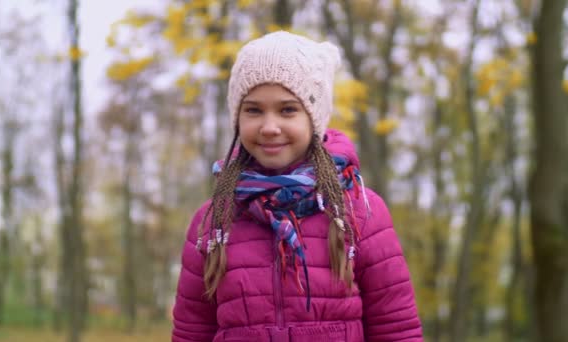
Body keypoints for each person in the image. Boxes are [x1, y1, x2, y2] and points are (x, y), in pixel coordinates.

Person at [172, 31, 422, 342]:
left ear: (313, 118)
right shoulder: (212, 222)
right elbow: (191, 331)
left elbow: (396, 329)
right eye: (253, 110)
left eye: (287, 109)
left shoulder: (360, 211)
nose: (270, 126)